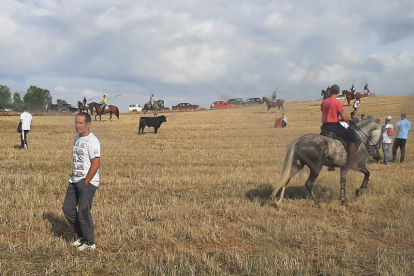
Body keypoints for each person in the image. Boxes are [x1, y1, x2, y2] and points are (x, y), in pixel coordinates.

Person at [62, 113, 101, 251]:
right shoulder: (77, 138)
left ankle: (90, 243)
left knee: (84, 212)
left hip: (87, 181)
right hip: (74, 180)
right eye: (76, 123)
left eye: (81, 123)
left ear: (88, 124)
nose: (77, 126)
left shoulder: (93, 141)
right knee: (68, 208)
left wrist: (86, 181)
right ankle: (82, 237)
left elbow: (96, 164)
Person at [321, 84, 359, 169]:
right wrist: (350, 118)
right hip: (334, 126)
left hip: (324, 126)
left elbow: (329, 116)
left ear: (330, 91)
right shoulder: (337, 103)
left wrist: (338, 119)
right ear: (338, 92)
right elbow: (344, 118)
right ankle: (351, 163)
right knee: (354, 138)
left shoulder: (324, 102)